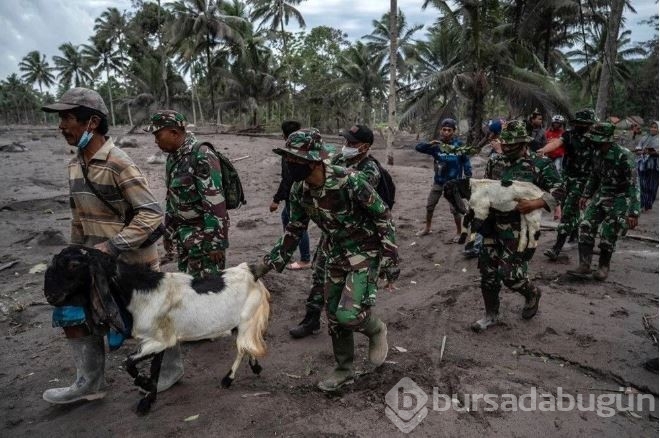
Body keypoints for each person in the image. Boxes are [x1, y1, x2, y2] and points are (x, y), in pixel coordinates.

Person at [41, 88, 183, 404]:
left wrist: (113, 245)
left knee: (149, 320)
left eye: (67, 118)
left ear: (92, 122)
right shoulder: (74, 165)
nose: (61, 126)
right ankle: (89, 383)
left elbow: (151, 212)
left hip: (131, 262)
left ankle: (170, 371)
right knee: (72, 312)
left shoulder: (119, 162)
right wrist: (74, 256)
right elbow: (78, 215)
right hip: (91, 260)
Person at [252, 128, 398, 392]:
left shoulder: (349, 181)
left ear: (313, 160)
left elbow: (383, 216)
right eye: (288, 159)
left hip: (365, 251)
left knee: (348, 315)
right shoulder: (299, 190)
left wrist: (389, 257)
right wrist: (265, 266)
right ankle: (343, 369)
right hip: (335, 252)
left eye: (294, 159)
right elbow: (295, 229)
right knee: (332, 316)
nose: (289, 164)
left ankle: (375, 329)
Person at [288, 124, 398, 339]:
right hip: (331, 233)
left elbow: (362, 201)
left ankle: (356, 314)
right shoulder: (339, 160)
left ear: (364, 147)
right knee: (319, 274)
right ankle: (311, 318)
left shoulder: (368, 171)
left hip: (357, 239)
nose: (346, 146)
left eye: (352, 143)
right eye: (345, 141)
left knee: (350, 294)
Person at [471, 120, 564, 332]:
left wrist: (536, 202)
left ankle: (531, 293)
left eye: (513, 145)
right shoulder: (495, 162)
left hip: (520, 229)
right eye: (505, 144)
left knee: (510, 275)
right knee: (488, 272)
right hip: (492, 224)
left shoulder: (540, 165)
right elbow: (486, 188)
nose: (507, 149)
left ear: (524, 144)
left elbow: (559, 191)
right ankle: (490, 315)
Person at [146, 110, 229, 278]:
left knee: (208, 288)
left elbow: (215, 203)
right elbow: (172, 198)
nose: (155, 141)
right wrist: (168, 232)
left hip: (204, 238)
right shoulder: (173, 157)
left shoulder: (201, 155)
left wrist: (216, 243)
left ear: (174, 133)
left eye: (158, 135)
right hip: (184, 236)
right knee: (188, 284)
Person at [568, 122, 640, 281]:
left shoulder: (624, 156)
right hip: (602, 194)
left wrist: (633, 212)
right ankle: (584, 265)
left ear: (606, 140)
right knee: (585, 224)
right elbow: (594, 176)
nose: (592, 142)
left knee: (609, 231)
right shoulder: (596, 153)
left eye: (596, 140)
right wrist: (586, 194)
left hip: (620, 197)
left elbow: (633, 185)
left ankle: (603, 267)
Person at [539, 109, 598, 261]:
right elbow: (557, 143)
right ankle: (574, 234)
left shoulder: (595, 138)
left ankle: (556, 248)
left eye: (585, 124)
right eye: (579, 123)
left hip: (583, 180)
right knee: (566, 206)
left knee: (569, 211)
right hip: (567, 177)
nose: (581, 126)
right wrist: (542, 151)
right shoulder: (569, 135)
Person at [415, 118, 472, 241]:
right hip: (439, 182)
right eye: (444, 130)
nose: (446, 132)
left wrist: (468, 177)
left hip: (453, 184)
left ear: (454, 131)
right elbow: (418, 148)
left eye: (449, 130)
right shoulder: (436, 146)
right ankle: (427, 228)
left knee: (455, 210)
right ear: (440, 130)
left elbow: (466, 161)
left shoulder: (459, 146)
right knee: (430, 205)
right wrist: (430, 144)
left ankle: (459, 232)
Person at [270, 120, 312, 270]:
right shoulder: (301, 151)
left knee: (297, 224)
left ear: (284, 135)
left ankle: (305, 259)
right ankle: (289, 250)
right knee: (287, 219)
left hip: (295, 195)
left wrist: (276, 199)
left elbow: (287, 179)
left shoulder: (291, 154)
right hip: (296, 194)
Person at [637, 121, 659, 212]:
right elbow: (638, 147)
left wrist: (653, 152)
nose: (653, 129)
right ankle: (642, 204)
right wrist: (639, 150)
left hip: (655, 166)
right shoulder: (644, 138)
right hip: (643, 164)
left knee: (652, 186)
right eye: (652, 127)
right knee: (642, 185)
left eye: (655, 127)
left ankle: (648, 205)